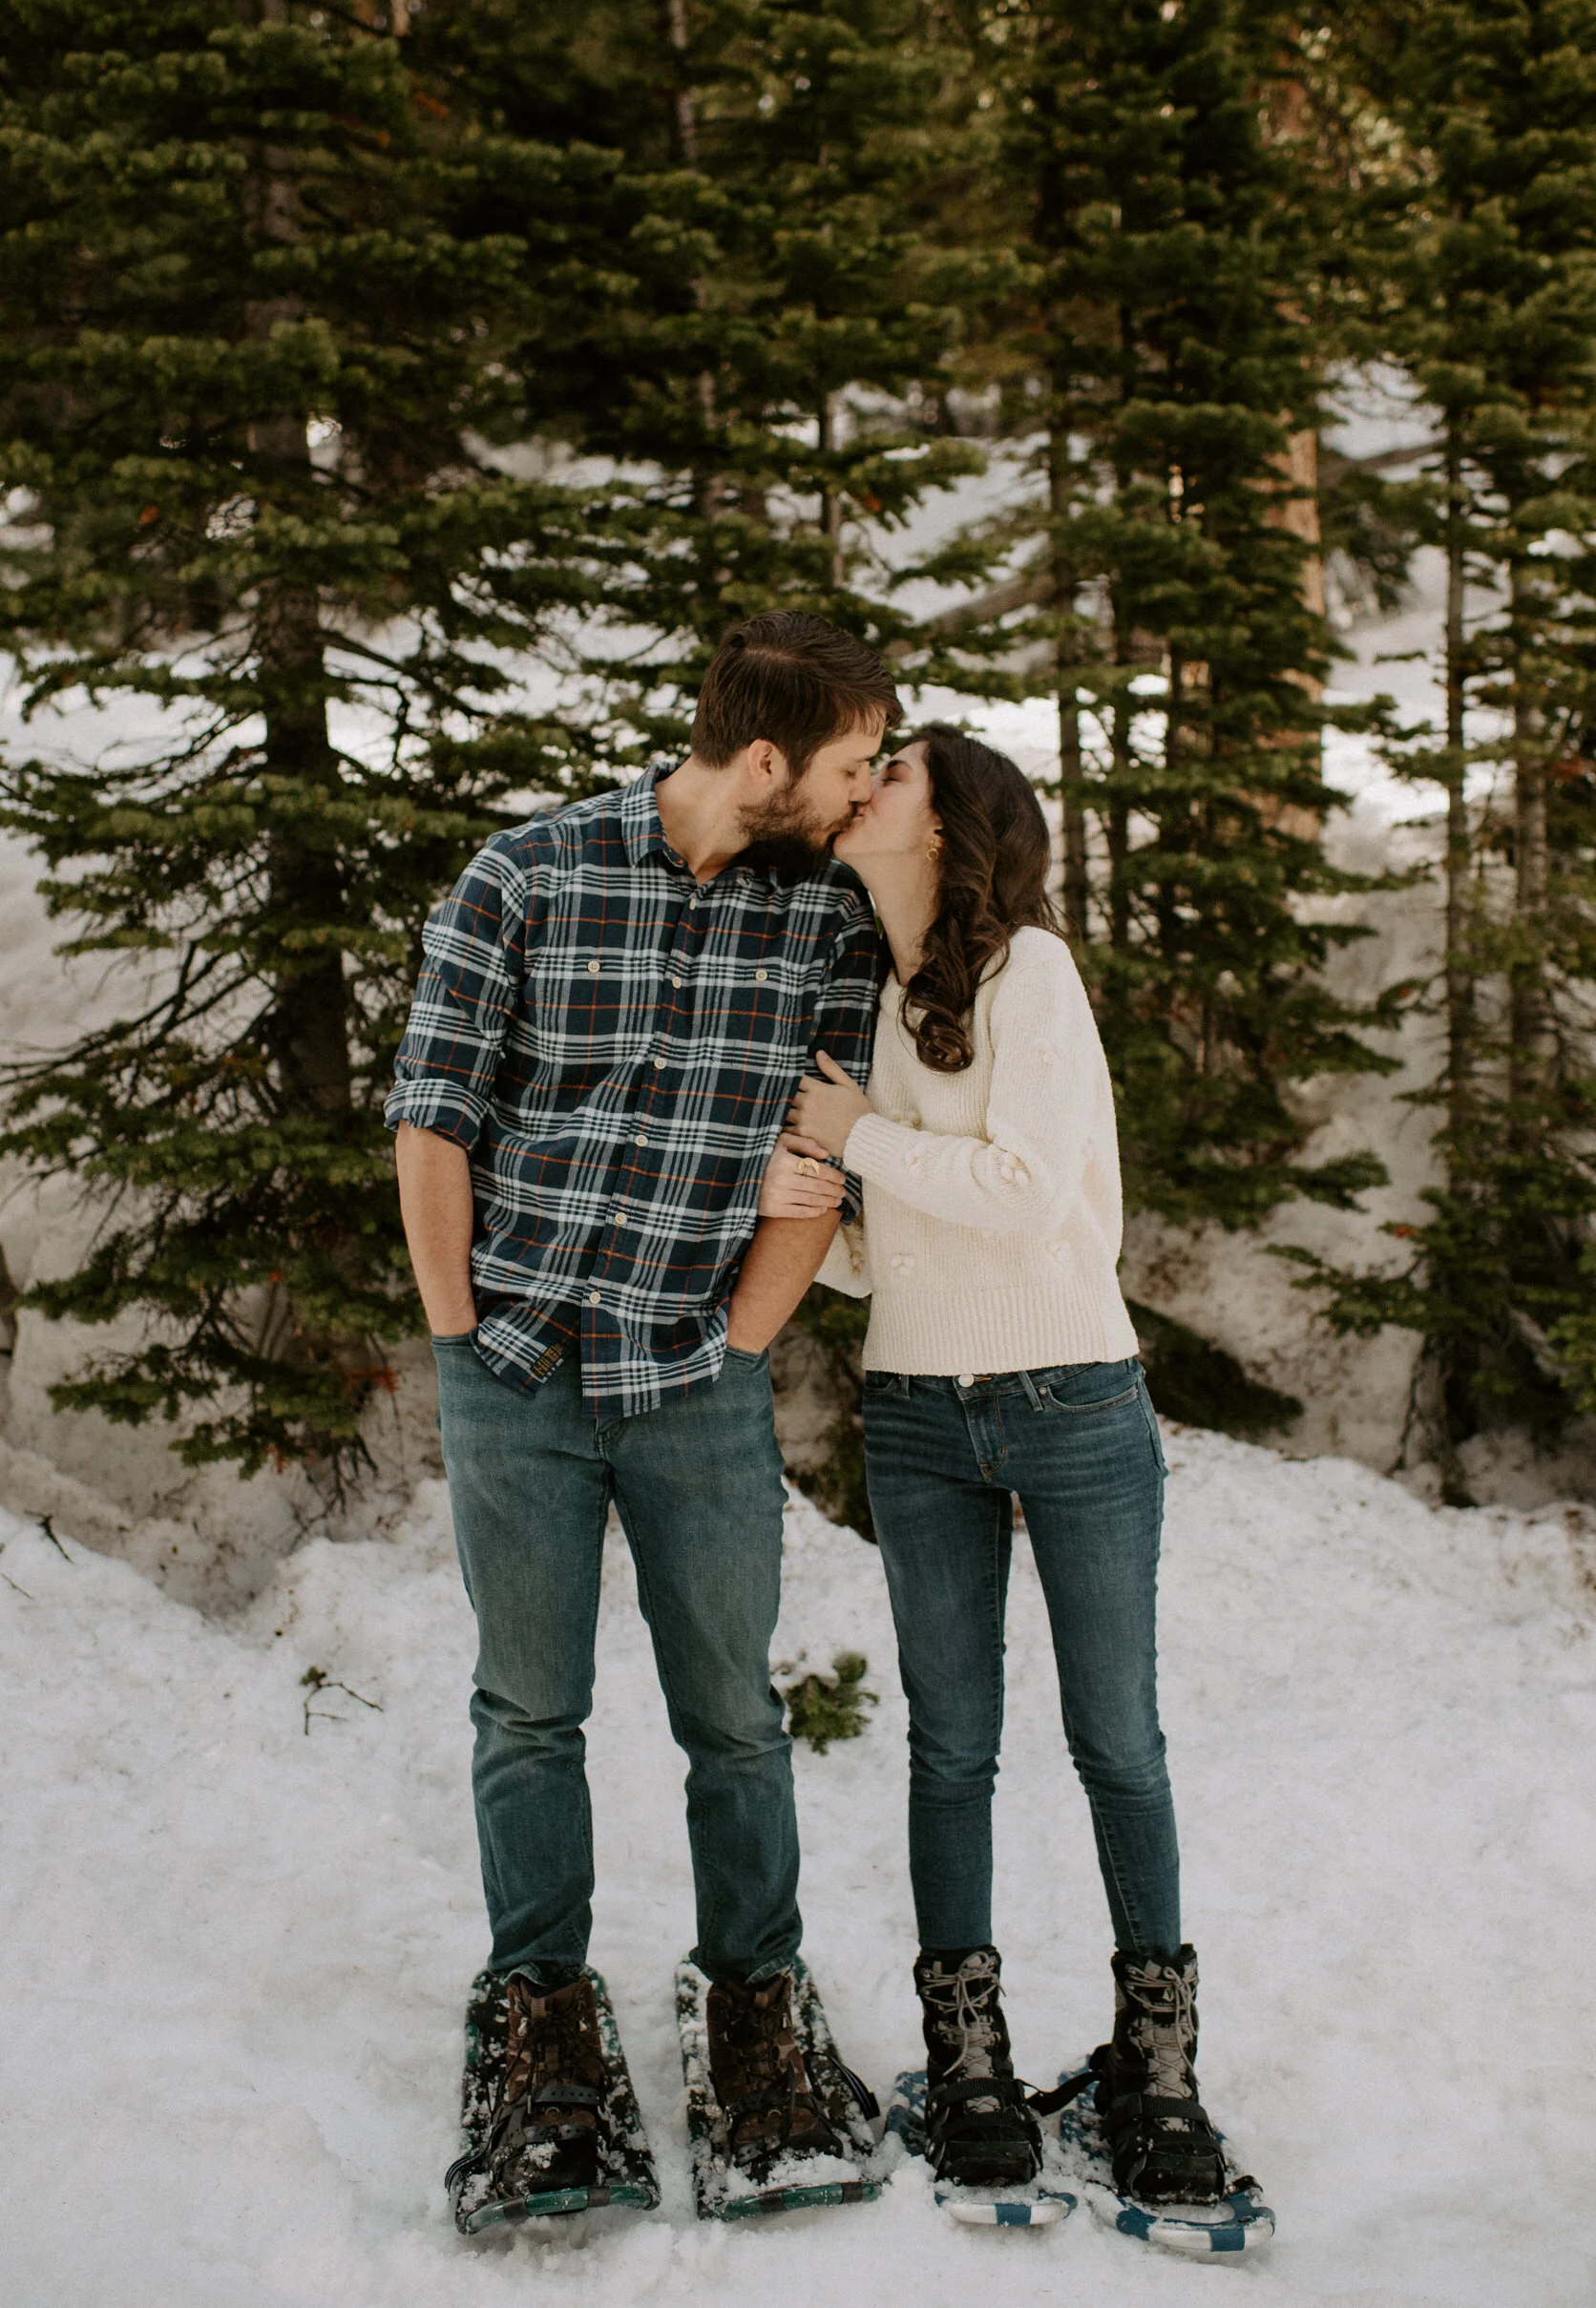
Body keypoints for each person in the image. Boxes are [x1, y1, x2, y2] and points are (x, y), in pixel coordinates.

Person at [387, 612, 892, 2215]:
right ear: (765, 762)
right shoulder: (525, 876)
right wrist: (465, 1335)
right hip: (519, 1372)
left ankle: (755, 2006)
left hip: (693, 1386)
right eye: (850, 763)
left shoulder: (829, 924)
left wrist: (738, 1348)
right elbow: (433, 1117)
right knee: (529, 1711)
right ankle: (539, 2016)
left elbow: (818, 1158)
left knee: (733, 1719)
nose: (865, 789)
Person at [763, 725, 1230, 2207]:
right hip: (914, 1408)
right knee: (949, 1746)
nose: (860, 787)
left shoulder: (1031, 972)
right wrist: (820, 1211)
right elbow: (893, 1243)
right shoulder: (875, 995)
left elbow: (1027, 1196)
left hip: (1074, 1396)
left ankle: (1159, 2070)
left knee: (1116, 1740)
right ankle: (968, 2059)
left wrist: (861, 1136)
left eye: (889, 774)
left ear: (951, 826)